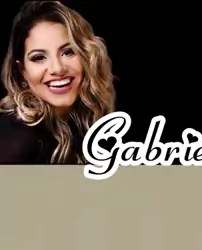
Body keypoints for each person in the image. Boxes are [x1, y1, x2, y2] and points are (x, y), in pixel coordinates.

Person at [0, 1, 115, 164]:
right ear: (22, 70)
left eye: (68, 52)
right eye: (39, 58)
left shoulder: (82, 120)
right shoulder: (19, 141)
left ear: (87, 56)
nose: (58, 68)